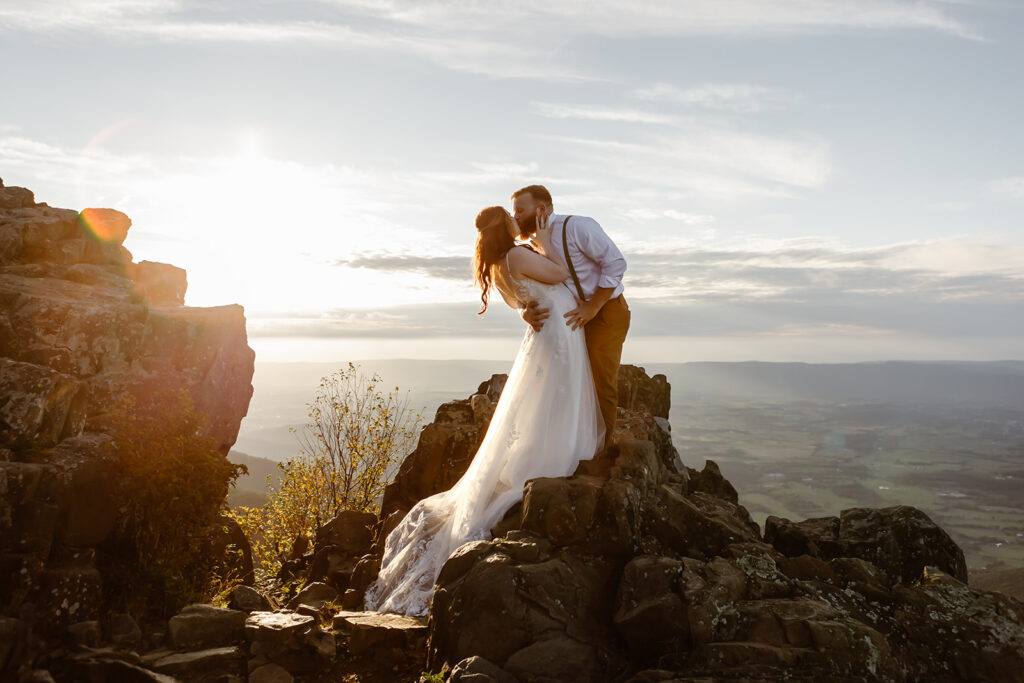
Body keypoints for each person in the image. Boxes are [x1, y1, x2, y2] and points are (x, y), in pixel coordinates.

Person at [363, 205, 605, 617]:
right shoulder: (515, 255)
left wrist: (527, 309)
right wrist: (546, 245)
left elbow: (519, 300)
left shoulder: (496, 264)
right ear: (504, 225)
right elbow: (560, 275)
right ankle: (555, 458)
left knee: (545, 399)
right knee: (555, 397)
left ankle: (549, 452)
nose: (517, 219)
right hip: (557, 335)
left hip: (548, 332)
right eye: (511, 217)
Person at [511, 185, 629, 448]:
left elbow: (616, 263)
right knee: (570, 382)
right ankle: (572, 447)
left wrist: (593, 307)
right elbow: (522, 290)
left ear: (541, 209)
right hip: (567, 323)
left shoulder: (578, 227)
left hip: (605, 312)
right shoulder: (527, 246)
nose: (515, 216)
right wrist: (523, 312)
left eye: (520, 210)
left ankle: (600, 453)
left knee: (600, 383)